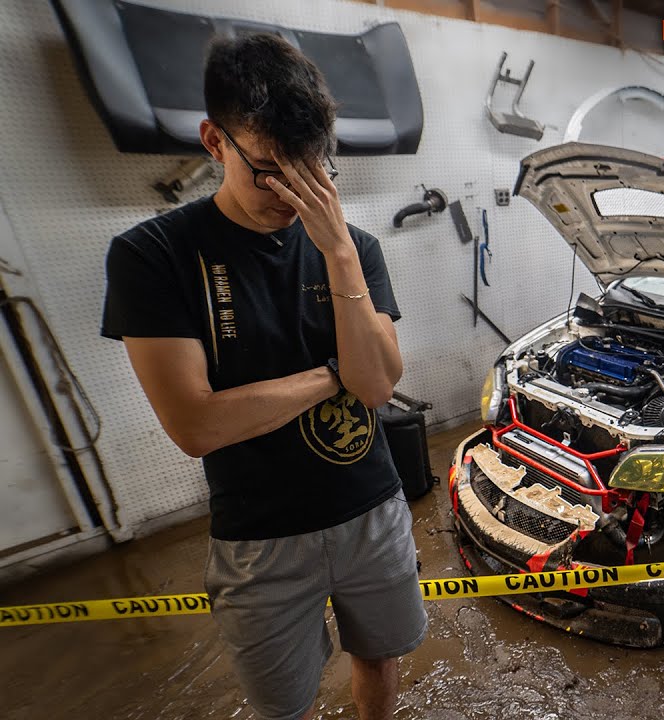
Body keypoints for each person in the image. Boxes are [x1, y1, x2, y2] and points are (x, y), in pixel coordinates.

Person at [100, 33, 426, 720]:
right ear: (214, 142)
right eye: (269, 169)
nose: (292, 193)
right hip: (260, 537)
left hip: (371, 508)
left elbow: (376, 388)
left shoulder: (355, 248)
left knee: (380, 657)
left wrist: (339, 255)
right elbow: (196, 425)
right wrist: (333, 373)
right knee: (284, 703)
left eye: (312, 168)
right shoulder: (154, 255)